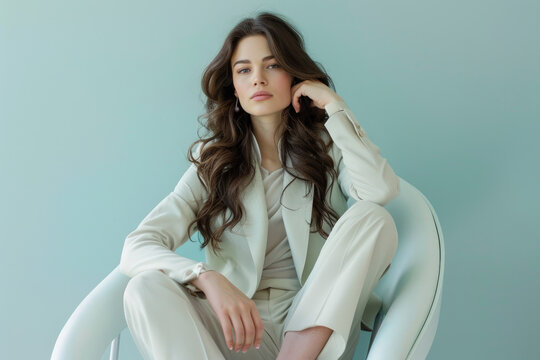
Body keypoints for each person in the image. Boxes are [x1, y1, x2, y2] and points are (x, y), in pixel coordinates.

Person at [119, 11, 400, 360]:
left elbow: (380, 192)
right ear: (234, 88)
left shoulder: (326, 147)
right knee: (143, 287)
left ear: (294, 75)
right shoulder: (214, 163)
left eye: (272, 66)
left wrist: (334, 107)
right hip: (238, 334)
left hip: (314, 335)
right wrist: (207, 278)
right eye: (244, 70)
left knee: (374, 218)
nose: (258, 80)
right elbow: (137, 245)